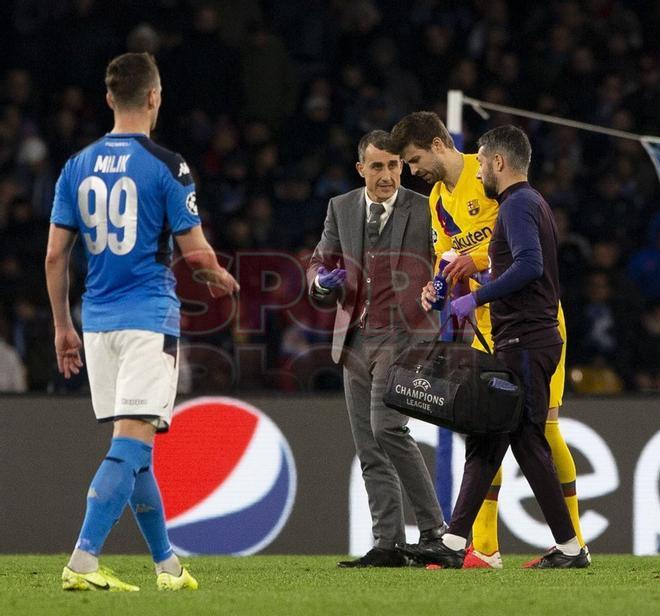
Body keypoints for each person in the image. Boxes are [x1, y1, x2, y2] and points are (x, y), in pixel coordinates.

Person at [45, 52, 239, 591]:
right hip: (148, 319)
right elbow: (196, 257)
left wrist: (63, 326)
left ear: (109, 98)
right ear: (154, 97)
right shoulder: (167, 165)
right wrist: (222, 277)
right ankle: (83, 559)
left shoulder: (74, 166)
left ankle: (167, 567)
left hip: (97, 322)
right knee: (129, 446)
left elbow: (55, 258)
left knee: (137, 448)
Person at [390, 111, 587, 568]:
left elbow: (521, 255)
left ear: (440, 144)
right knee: (485, 427)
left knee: (539, 432)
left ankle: (573, 542)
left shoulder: (498, 181)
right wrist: (438, 285)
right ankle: (480, 546)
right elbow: (446, 258)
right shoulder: (438, 199)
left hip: (531, 323)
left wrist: (473, 270)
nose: (412, 172)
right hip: (488, 325)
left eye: (415, 159)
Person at [307, 130, 446, 567]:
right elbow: (319, 262)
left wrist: (440, 288)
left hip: (406, 337)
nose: (387, 175)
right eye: (378, 166)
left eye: (393, 166)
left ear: (401, 166)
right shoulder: (341, 207)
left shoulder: (425, 210)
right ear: (360, 169)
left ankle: (434, 531)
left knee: (387, 428)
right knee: (369, 444)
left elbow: (442, 263)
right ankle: (387, 543)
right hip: (356, 339)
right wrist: (320, 283)